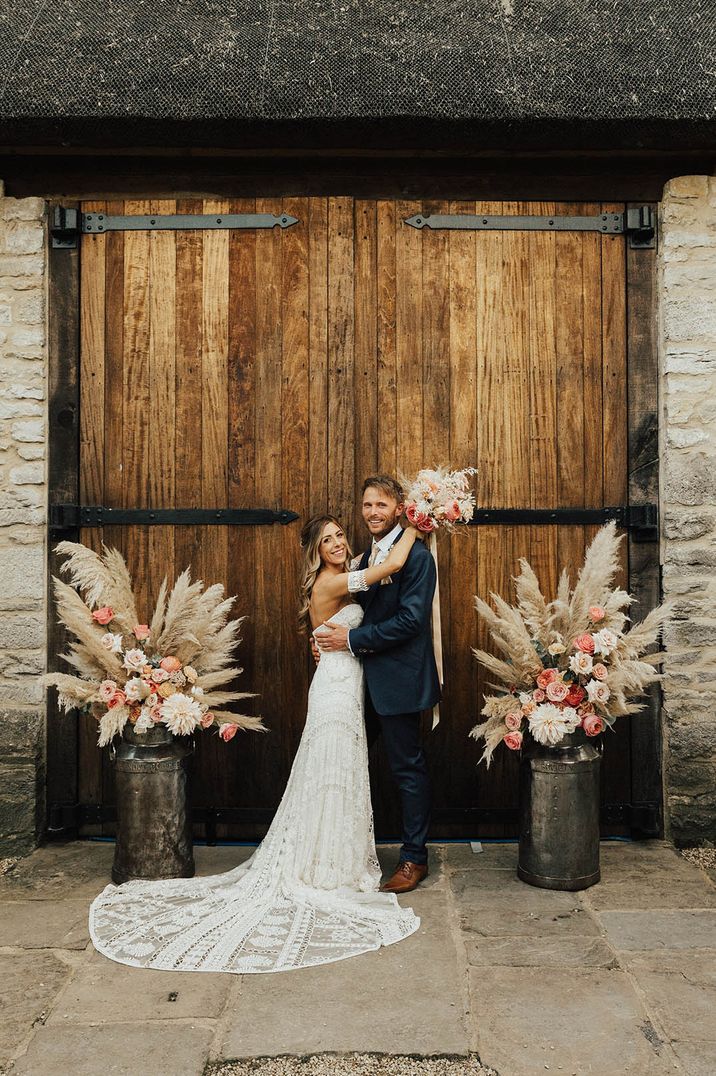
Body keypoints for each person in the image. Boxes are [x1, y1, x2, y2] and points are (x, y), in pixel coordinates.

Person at [88, 514, 421, 974]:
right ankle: (324, 864)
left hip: (347, 678)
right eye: (327, 540)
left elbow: (374, 559)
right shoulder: (330, 584)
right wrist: (420, 523)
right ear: (315, 551)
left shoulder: (341, 572)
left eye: (341, 535)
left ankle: (334, 856)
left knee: (338, 769)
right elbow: (389, 565)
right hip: (337, 686)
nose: (339, 543)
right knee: (329, 767)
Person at [315, 474, 440, 893]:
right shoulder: (365, 558)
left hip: (399, 679)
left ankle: (413, 859)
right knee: (345, 765)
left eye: (381, 505)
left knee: (407, 769)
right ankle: (340, 852)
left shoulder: (418, 558)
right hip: (356, 683)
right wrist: (326, 641)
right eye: (367, 505)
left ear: (399, 509)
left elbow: (409, 621)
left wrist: (348, 639)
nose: (372, 513)